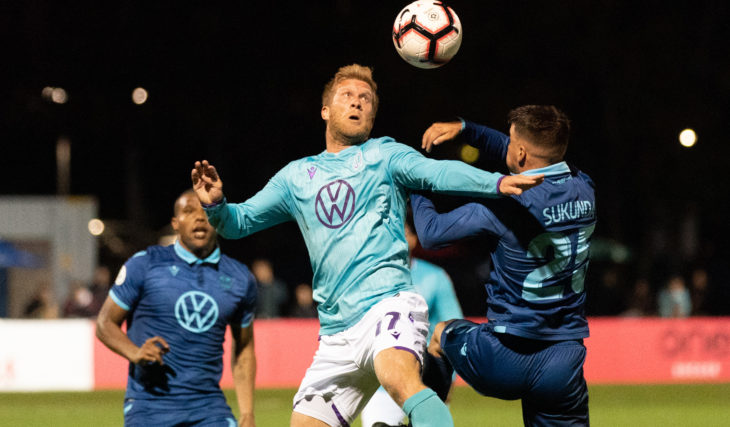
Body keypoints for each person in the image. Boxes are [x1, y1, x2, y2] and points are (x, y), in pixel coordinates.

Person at [191, 64, 543, 427]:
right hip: (335, 332)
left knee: (398, 378)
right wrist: (216, 205)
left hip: (388, 304)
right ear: (326, 110)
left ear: (372, 117)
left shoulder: (385, 155)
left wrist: (495, 183)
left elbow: (436, 173)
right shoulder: (295, 177)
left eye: (366, 99)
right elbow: (239, 222)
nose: (357, 102)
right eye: (347, 96)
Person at [411, 105, 595, 426]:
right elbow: (521, 154)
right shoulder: (585, 187)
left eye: (510, 141)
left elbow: (431, 233)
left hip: (505, 355)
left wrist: (416, 180)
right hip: (563, 362)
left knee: (441, 334)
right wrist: (467, 129)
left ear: (521, 151)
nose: (505, 146)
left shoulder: (506, 205)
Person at [95, 190, 258, 427]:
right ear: (175, 224)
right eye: (189, 211)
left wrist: (247, 413)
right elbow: (104, 323)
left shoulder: (240, 278)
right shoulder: (145, 264)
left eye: (206, 211)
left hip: (209, 408)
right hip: (149, 406)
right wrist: (134, 352)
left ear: (218, 220)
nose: (200, 218)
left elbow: (244, 347)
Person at [360, 220, 463, 427]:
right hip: (379, 385)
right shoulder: (367, 278)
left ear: (414, 239)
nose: (398, 236)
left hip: (426, 382)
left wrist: (447, 381)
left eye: (405, 231)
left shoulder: (435, 277)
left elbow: (451, 328)